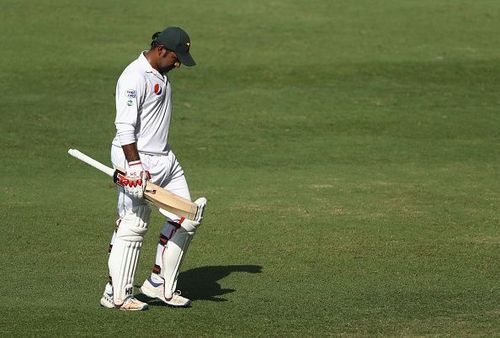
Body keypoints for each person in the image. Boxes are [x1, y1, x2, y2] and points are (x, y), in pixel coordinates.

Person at [99, 26, 207, 311]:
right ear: (161, 50)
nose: (179, 63)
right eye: (176, 56)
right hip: (138, 161)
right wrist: (133, 165)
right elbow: (124, 126)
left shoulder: (160, 72)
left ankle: (158, 284)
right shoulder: (134, 76)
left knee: (188, 215)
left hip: (165, 160)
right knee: (133, 225)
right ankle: (116, 293)